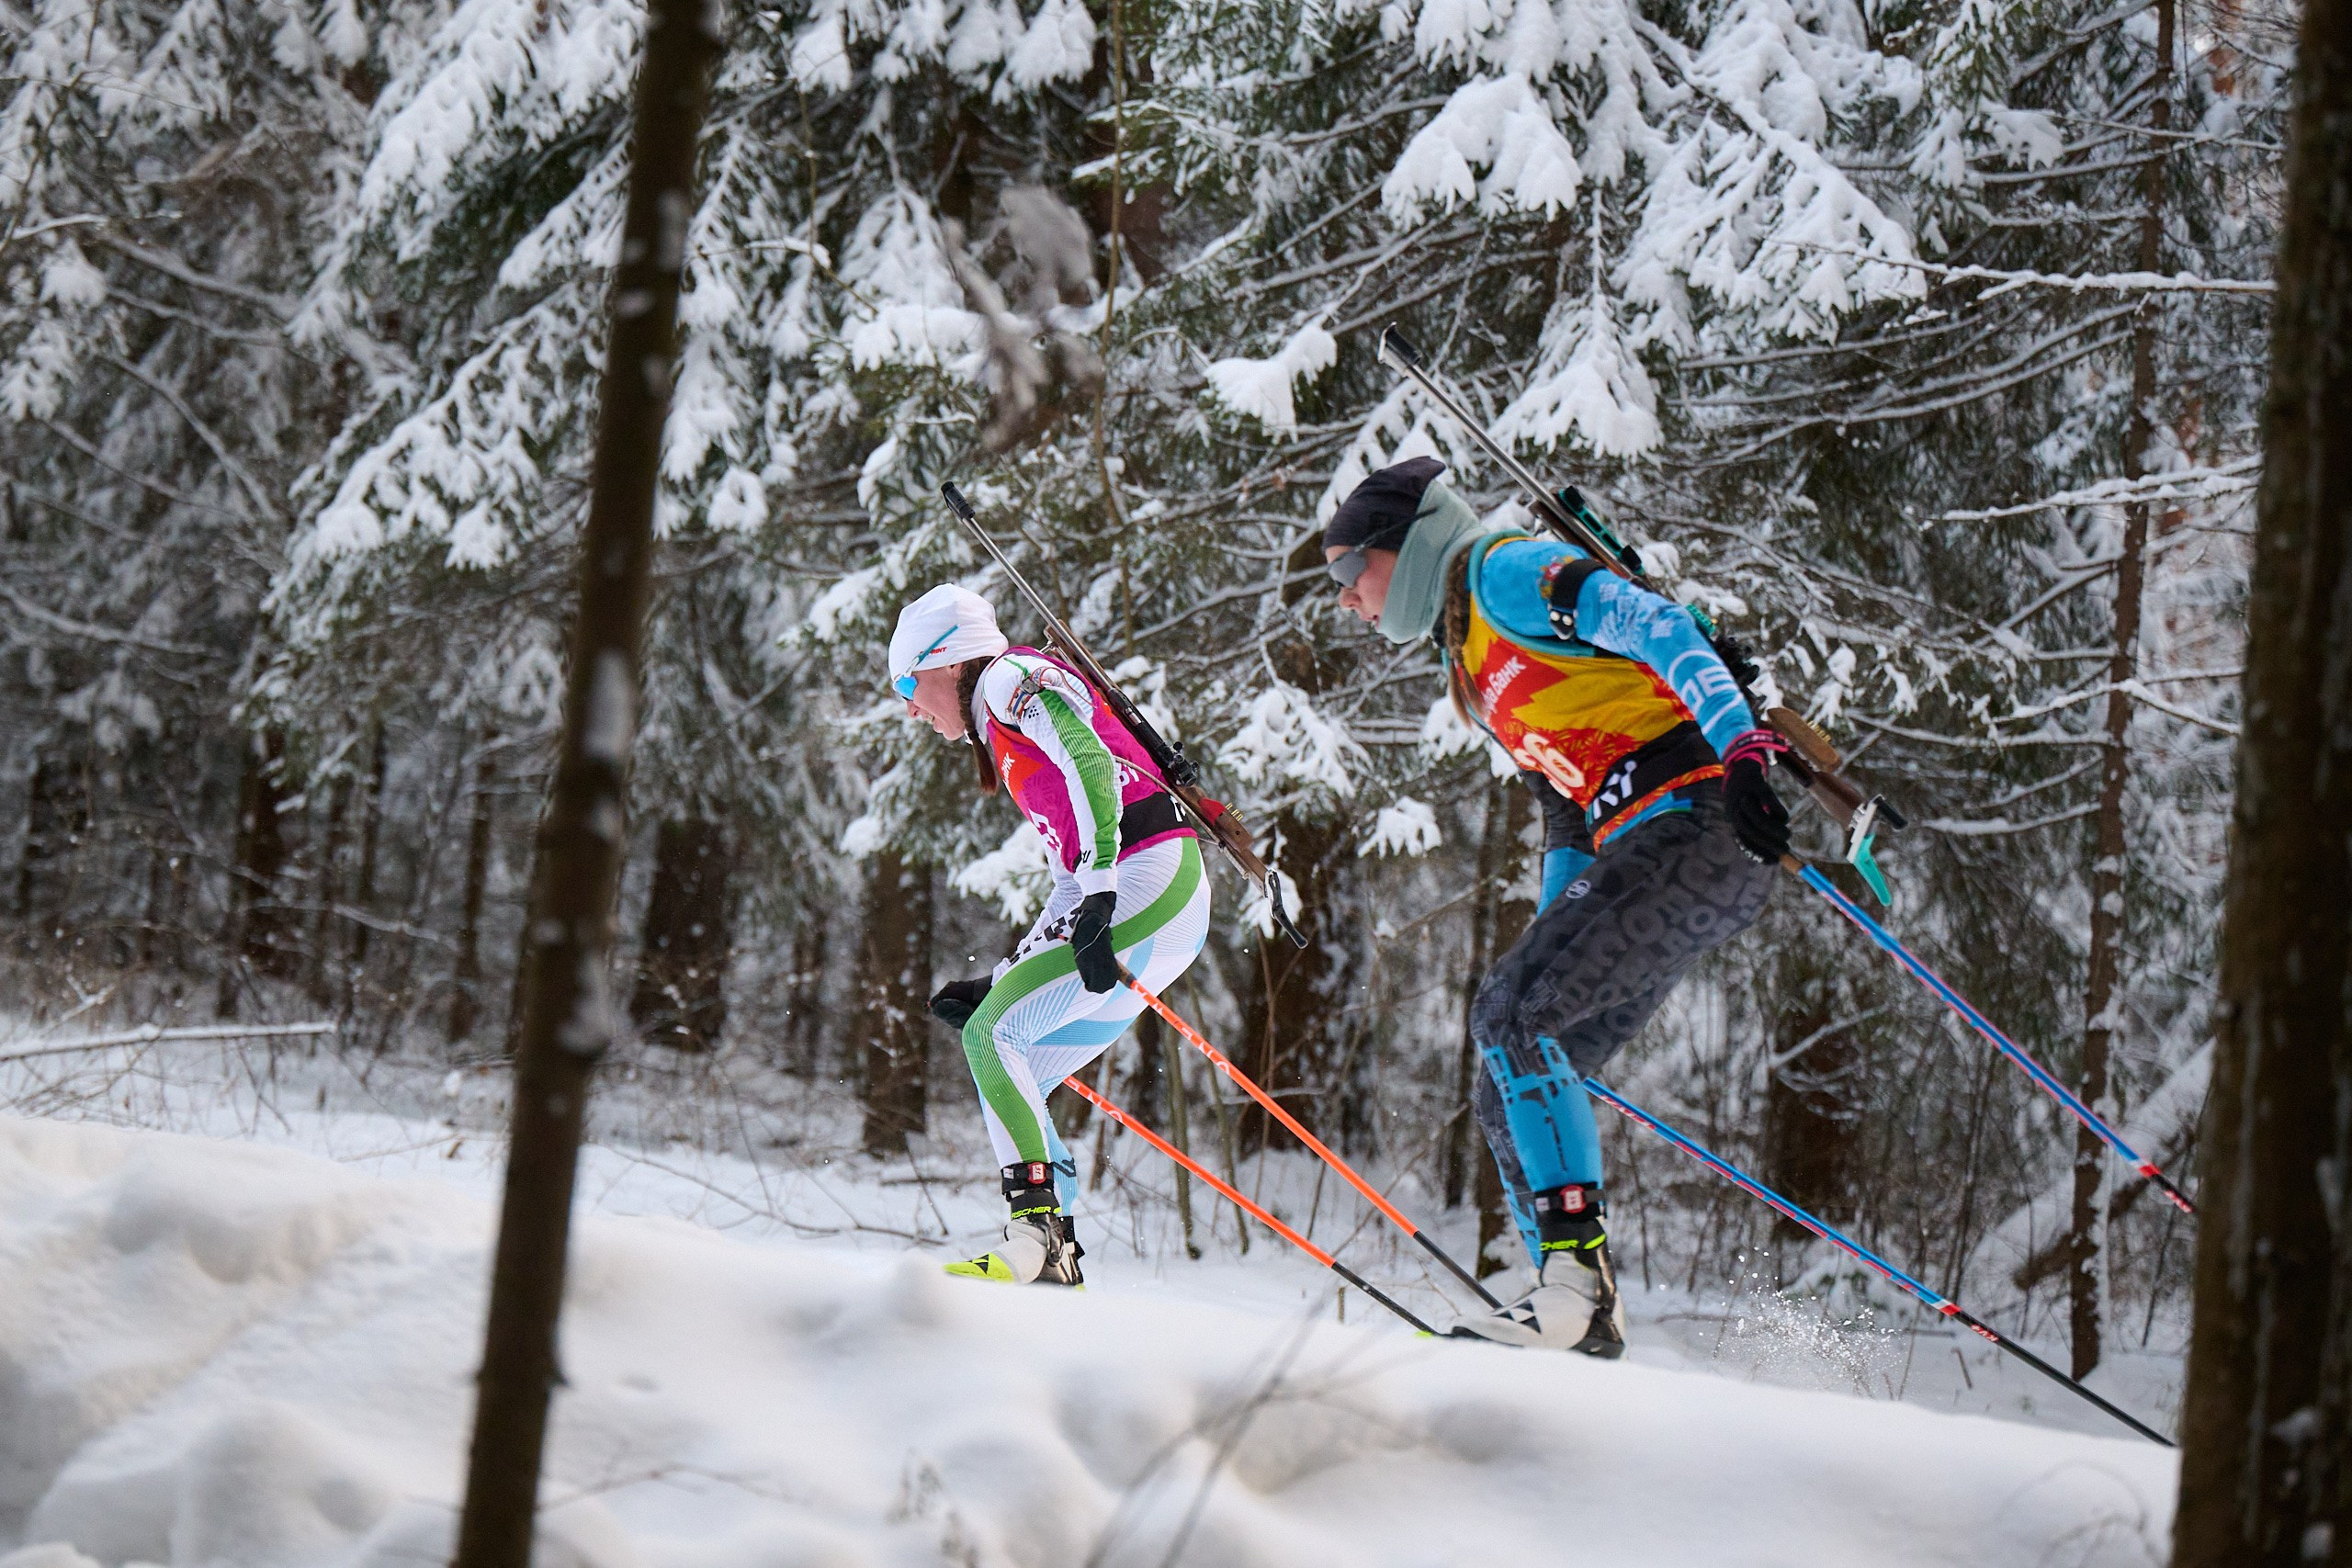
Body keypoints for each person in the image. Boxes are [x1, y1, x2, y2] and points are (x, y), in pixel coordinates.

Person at [1321, 458, 1791, 1354]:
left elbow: (1656, 623)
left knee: (1513, 1013)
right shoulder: (1471, 658)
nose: (1346, 598)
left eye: (1349, 570)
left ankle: (1574, 1285)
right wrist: (1548, 934)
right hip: (1654, 848)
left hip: (1701, 818)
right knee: (1510, 1068)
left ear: (1406, 546)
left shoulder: (1501, 573)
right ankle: (1574, 1306)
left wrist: (1743, 753)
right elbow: (1566, 810)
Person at [887, 583, 1213, 1286]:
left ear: (948, 660)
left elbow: (1089, 760)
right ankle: (1053, 1248)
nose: (910, 707)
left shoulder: (1011, 677)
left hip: (1148, 878)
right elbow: (1069, 883)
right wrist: (1005, 976)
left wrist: (1102, 892)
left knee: (992, 1036)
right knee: (1015, 1057)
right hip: (1150, 898)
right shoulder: (1000, 726)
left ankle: (1035, 1234)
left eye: (908, 684)